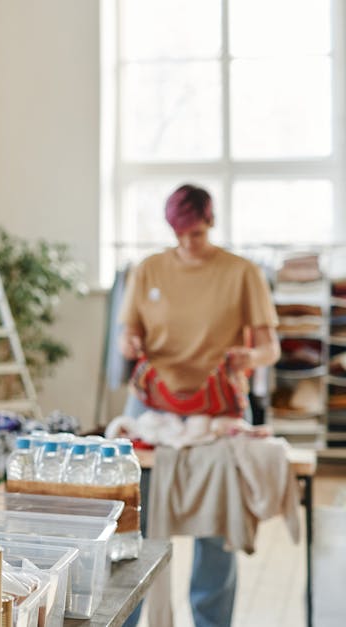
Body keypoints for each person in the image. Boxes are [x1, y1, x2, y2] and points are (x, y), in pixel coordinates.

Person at [118, 183, 279, 627]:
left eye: (197, 233)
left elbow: (271, 348)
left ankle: (211, 622)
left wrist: (250, 357)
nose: (188, 243)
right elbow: (127, 334)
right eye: (180, 234)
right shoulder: (149, 269)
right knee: (132, 522)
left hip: (218, 407)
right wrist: (129, 343)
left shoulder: (242, 272)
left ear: (211, 223)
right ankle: (125, 618)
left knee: (216, 524)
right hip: (152, 407)